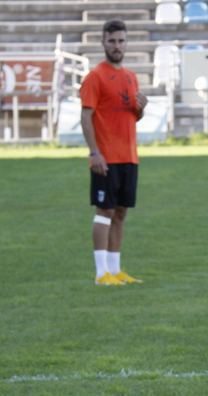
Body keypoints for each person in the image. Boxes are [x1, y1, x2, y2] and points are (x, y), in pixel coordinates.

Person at [80, 19, 148, 286]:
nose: (117, 46)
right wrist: (94, 152)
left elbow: (133, 117)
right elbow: (86, 117)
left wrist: (141, 109)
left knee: (120, 213)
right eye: (112, 41)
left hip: (129, 156)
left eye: (121, 40)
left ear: (126, 42)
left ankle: (115, 270)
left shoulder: (130, 76)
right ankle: (100, 274)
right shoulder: (95, 77)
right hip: (105, 156)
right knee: (104, 211)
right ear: (103, 43)